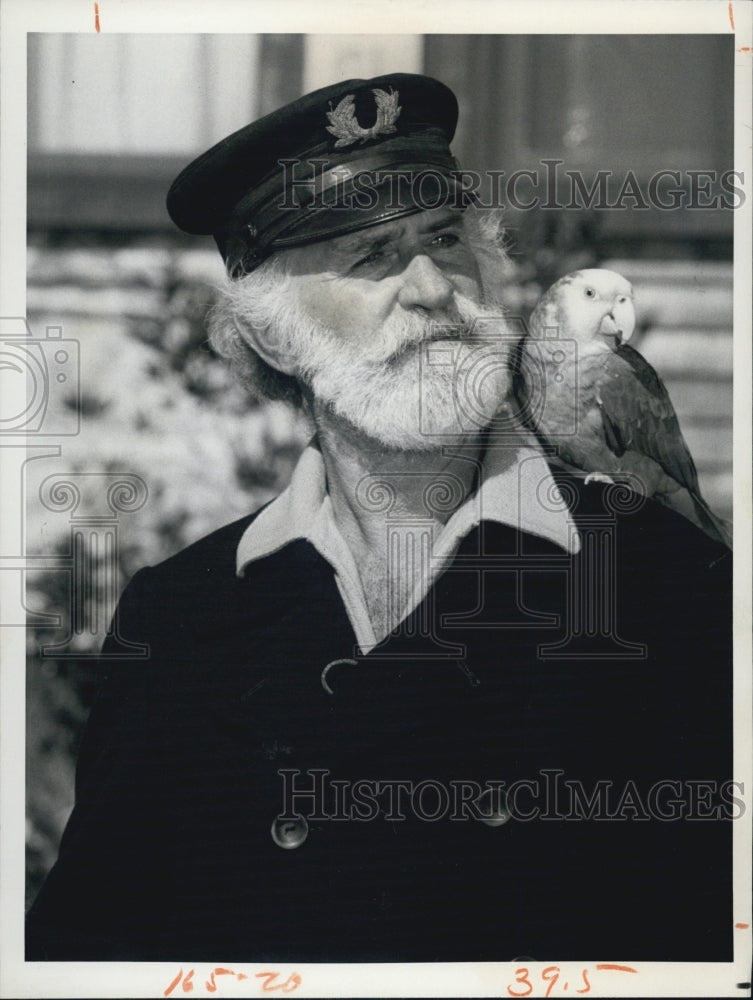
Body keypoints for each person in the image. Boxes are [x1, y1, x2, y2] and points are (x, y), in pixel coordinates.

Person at [26, 73, 732, 963]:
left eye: (444, 240)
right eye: (369, 259)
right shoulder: (179, 617)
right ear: (270, 337)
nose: (432, 285)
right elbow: (92, 956)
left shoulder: (680, 591)